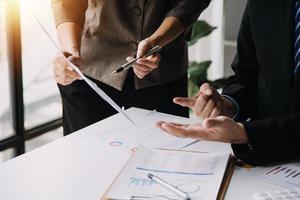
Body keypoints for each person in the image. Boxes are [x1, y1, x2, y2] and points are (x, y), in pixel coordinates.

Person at [157, 0, 300, 165]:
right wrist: (226, 104)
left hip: (266, 145)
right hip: (269, 161)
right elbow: (246, 75)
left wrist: (244, 133)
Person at [51, 0, 211, 135]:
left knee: (165, 158)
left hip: (162, 71)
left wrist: (158, 40)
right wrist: (71, 52)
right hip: (90, 69)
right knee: (86, 159)